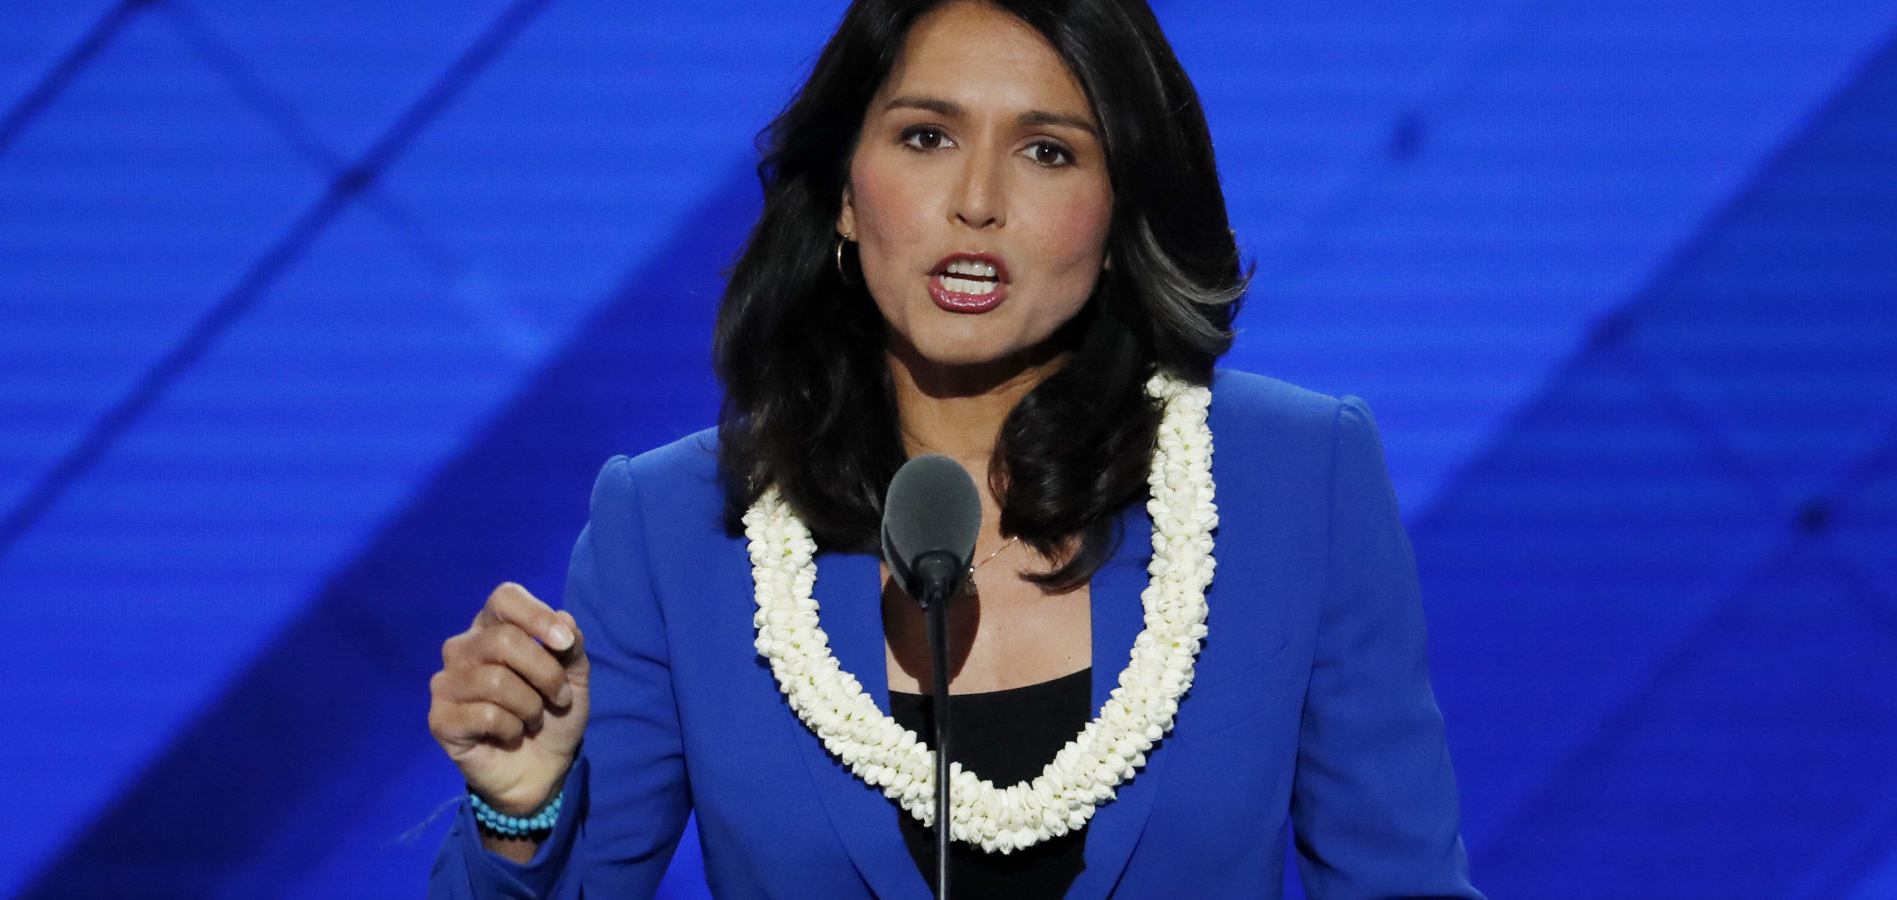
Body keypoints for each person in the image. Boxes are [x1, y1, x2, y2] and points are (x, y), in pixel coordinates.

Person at [427, 0, 1483, 897]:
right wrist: (521, 815)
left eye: (1047, 150)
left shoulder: (1297, 478)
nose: (976, 202)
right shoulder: (675, 527)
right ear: (846, 189)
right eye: (927, 137)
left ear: (1117, 216)